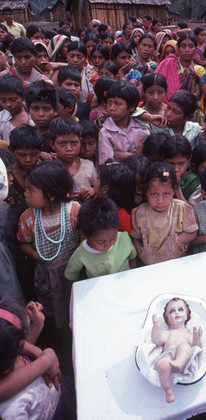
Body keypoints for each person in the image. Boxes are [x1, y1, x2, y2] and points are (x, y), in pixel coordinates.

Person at [17, 161, 80, 329]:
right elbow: (24, 243)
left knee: (72, 303)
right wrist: (37, 256)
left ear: (51, 195)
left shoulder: (73, 211)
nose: (25, 194)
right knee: (50, 308)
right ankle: (55, 332)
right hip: (45, 275)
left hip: (71, 272)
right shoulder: (28, 218)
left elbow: (82, 241)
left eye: (31, 190)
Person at [0, 297, 71, 419]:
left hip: (61, 398)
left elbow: (19, 348)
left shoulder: (8, 356)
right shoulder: (11, 412)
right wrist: (46, 360)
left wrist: (37, 325)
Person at [131, 162, 198, 265]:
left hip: (176, 264)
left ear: (174, 191)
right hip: (149, 267)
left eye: (166, 194)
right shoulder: (139, 213)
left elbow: (192, 232)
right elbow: (136, 237)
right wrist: (141, 252)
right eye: (154, 194)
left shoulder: (182, 209)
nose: (160, 200)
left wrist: (176, 241)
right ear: (146, 192)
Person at [64, 196, 136, 281]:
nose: (108, 244)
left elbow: (133, 257)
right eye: (101, 242)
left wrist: (132, 275)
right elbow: (71, 275)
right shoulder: (81, 253)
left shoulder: (124, 238)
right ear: (86, 236)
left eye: (113, 238)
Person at [152, 297, 203, 403]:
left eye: (180, 309)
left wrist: (197, 338)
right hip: (168, 356)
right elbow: (157, 340)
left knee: (184, 346)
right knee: (162, 364)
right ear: (168, 319)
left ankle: (179, 362)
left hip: (182, 358)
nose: (176, 313)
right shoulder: (168, 332)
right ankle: (168, 391)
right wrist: (156, 327)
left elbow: (197, 348)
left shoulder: (188, 335)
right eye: (172, 311)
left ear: (187, 315)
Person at [98, 80, 150, 164]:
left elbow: (147, 158)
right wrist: (135, 155)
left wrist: (123, 156)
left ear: (132, 107)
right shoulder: (105, 132)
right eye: (109, 102)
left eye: (117, 103)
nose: (111, 108)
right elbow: (107, 164)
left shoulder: (142, 128)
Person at [49, 117, 96, 202]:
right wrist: (64, 197)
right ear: (52, 144)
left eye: (74, 143)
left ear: (80, 142)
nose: (69, 148)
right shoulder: (48, 170)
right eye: (62, 143)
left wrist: (92, 191)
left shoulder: (88, 165)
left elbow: (97, 188)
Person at [156, 32, 203, 102]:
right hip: (166, 107)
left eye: (191, 46)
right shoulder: (168, 63)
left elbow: (197, 95)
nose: (187, 50)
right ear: (178, 48)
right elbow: (156, 85)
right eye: (183, 46)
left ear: (196, 49)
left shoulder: (198, 70)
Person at [24, 80, 58, 154]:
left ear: (55, 110)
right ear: (28, 109)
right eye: (35, 108)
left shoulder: (62, 135)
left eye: (46, 109)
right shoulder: (25, 136)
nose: (41, 114)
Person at [0, 74, 33, 143]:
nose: (8, 104)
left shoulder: (34, 113)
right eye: (3, 101)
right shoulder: (1, 119)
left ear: (22, 97)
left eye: (12, 100)